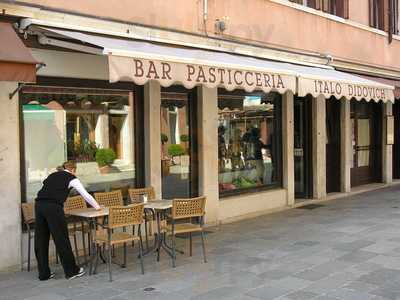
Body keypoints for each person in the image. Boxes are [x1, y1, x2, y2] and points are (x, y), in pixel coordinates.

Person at [34, 160, 101, 281]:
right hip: (53, 207)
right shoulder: (71, 178)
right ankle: (71, 271)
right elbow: (85, 195)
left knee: (41, 239)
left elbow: (45, 186)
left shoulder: (52, 175)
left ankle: (44, 274)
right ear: (73, 170)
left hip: (39, 205)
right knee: (61, 239)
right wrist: (97, 207)